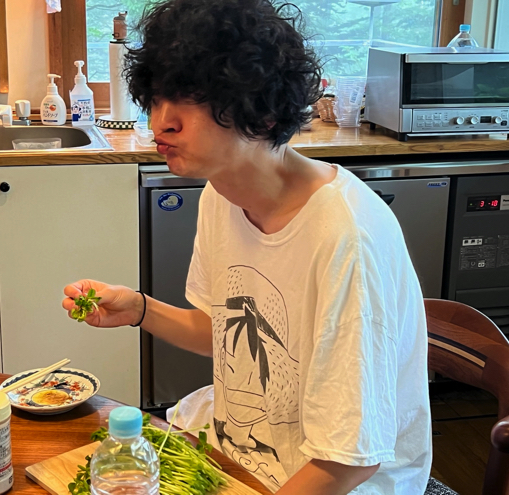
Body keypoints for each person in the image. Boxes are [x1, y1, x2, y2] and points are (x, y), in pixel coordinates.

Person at [62, 0, 431, 492]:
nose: (161, 122)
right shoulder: (222, 193)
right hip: (246, 451)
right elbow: (220, 331)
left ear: (263, 109)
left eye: (193, 98)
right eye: (158, 97)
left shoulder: (346, 237)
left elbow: (348, 462)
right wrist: (139, 308)